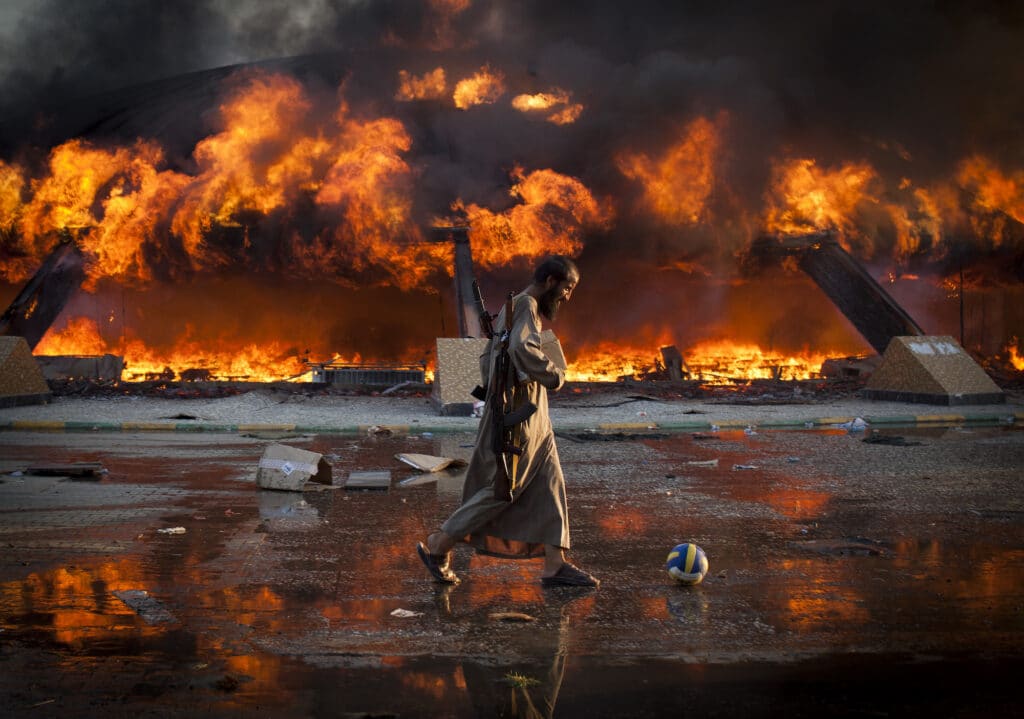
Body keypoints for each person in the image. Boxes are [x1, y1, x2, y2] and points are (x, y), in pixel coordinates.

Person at [417, 255, 599, 587]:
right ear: (550, 282)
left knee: (550, 484)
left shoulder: (515, 307)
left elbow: (490, 358)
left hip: (533, 415)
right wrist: (552, 374)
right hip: (522, 414)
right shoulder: (526, 306)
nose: (567, 296)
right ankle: (439, 544)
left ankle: (555, 564)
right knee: (503, 489)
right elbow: (521, 349)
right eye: (567, 288)